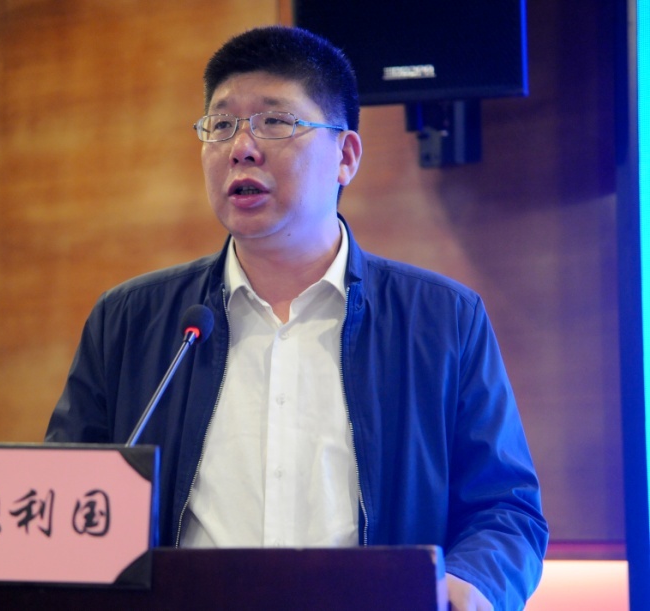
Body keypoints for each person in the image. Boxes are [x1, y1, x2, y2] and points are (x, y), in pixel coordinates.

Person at [45, 25, 547, 611]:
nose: (242, 147)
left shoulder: (443, 322)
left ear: (346, 157)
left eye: (275, 122)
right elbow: (61, 505)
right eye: (221, 124)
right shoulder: (130, 322)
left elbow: (505, 510)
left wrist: (471, 585)